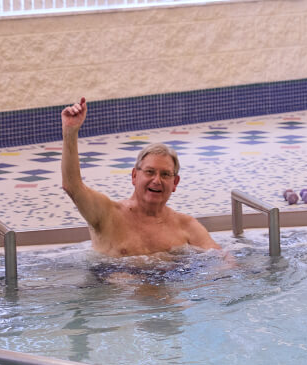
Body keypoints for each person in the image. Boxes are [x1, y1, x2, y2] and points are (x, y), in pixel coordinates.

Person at [61, 97, 220, 256]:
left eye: (165, 174)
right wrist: (70, 131)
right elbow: (73, 186)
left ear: (175, 183)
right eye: (150, 172)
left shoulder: (186, 226)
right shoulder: (107, 215)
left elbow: (221, 258)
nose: (157, 180)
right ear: (135, 176)